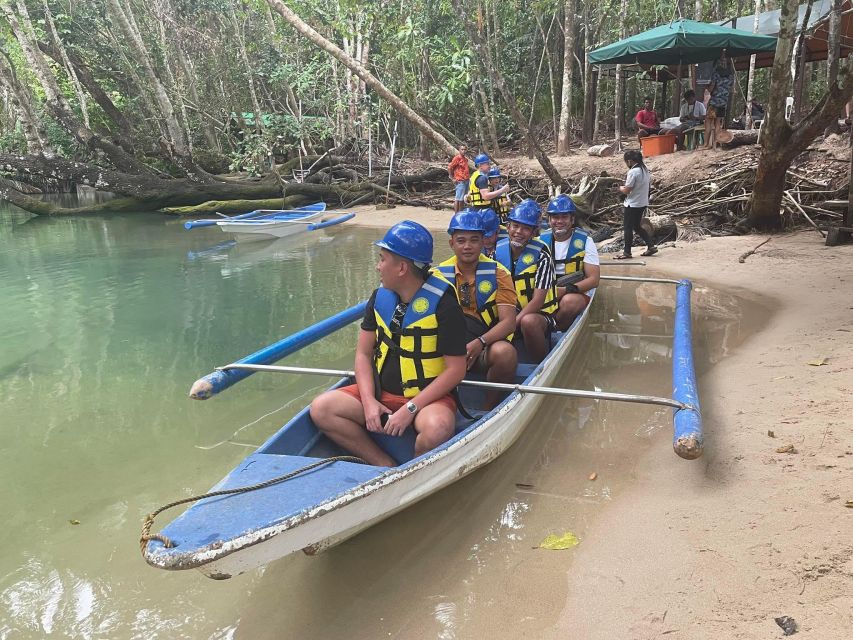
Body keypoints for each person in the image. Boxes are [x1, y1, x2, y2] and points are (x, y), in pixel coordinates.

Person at [309, 221, 468, 467]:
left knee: (437, 429)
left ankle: (413, 471)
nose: (377, 266)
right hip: (381, 392)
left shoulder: (445, 306)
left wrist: (411, 408)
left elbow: (456, 370)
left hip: (426, 399)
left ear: (402, 267)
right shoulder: (379, 298)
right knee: (322, 408)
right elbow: (363, 354)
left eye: (382, 259)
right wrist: (369, 401)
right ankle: (384, 465)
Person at [434, 209, 518, 408]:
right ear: (451, 243)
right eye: (461, 240)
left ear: (483, 242)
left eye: (474, 240)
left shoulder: (499, 274)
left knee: (505, 353)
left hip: (482, 346)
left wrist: (480, 342)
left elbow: (509, 322)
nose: (467, 246)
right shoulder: (436, 274)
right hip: (447, 346)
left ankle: (489, 407)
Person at [494, 199, 558, 363]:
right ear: (508, 227)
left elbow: (537, 301)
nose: (519, 232)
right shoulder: (495, 252)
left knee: (528, 322)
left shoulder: (542, 255)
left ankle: (540, 365)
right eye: (515, 226)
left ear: (533, 232)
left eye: (525, 228)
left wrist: (511, 324)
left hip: (538, 315)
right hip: (507, 312)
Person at [539, 195, 600, 330]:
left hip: (575, 290)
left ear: (572, 219)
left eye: (564, 217)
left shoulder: (585, 241)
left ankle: (556, 329)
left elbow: (594, 280)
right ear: (549, 220)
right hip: (548, 289)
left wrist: (566, 290)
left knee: (569, 302)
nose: (559, 221)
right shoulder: (540, 241)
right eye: (555, 217)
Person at [614, 150, 657, 260]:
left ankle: (627, 252)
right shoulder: (644, 170)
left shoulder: (633, 172)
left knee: (628, 227)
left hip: (632, 204)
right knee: (636, 226)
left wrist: (619, 188)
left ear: (629, 161)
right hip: (642, 202)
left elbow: (627, 190)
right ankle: (651, 246)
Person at [705, 53, 733, 150]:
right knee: (718, 123)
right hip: (723, 103)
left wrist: (707, 87)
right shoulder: (730, 75)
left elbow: (711, 89)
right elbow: (730, 88)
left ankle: (706, 144)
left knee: (708, 122)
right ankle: (716, 143)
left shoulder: (716, 74)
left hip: (714, 103)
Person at [448, 144, 470, 213]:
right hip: (460, 181)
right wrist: (452, 178)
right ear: (459, 150)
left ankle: (461, 213)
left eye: (464, 149)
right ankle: (457, 214)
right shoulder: (457, 158)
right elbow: (449, 167)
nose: (463, 151)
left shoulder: (465, 159)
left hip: (466, 180)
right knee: (458, 199)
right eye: (462, 149)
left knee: (463, 198)